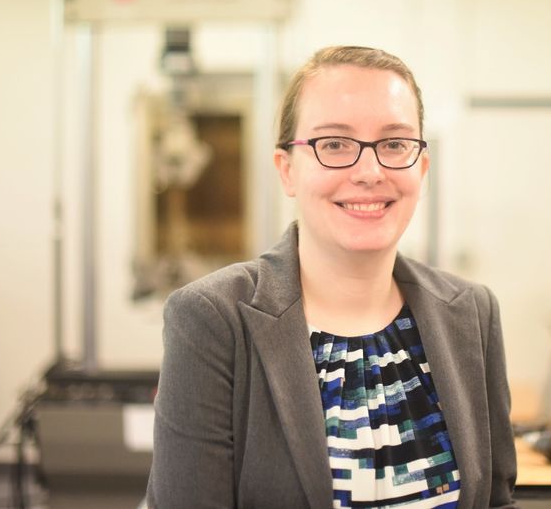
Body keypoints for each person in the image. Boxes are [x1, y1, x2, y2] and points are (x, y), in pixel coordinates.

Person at [146, 46, 517, 508]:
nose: (369, 171)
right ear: (287, 169)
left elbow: (497, 500)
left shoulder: (472, 313)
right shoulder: (212, 321)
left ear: (421, 167)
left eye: (395, 143)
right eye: (335, 144)